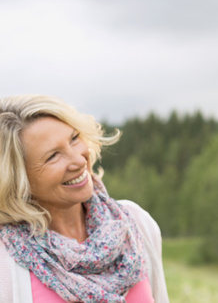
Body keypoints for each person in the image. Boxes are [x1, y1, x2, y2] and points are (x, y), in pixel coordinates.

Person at [0, 95, 169, 303]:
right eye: (53, 156)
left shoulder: (135, 223)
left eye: (74, 138)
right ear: (17, 180)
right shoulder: (6, 262)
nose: (79, 160)